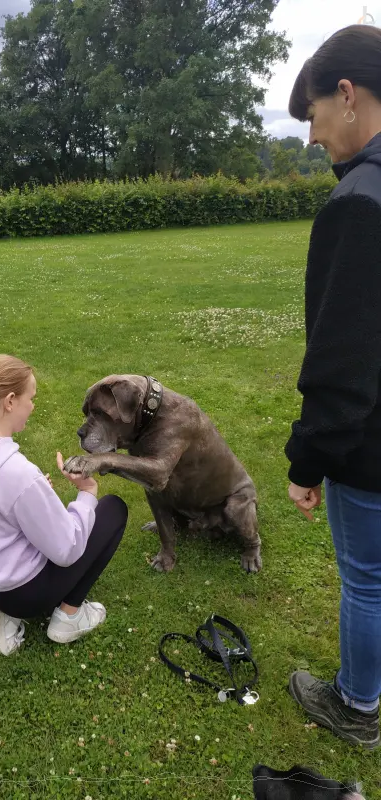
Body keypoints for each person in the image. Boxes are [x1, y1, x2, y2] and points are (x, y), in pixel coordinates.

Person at [284, 24, 381, 750]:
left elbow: (344, 362)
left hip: (369, 443)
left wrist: (306, 461)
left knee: (368, 579)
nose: (315, 139)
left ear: (347, 96)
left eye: (315, 118)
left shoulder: (358, 203)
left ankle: (356, 706)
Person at [0, 354, 128, 656]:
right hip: (25, 593)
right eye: (32, 398)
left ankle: (2, 616)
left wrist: (35, 494)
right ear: (11, 401)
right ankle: (69, 616)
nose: (34, 405)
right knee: (113, 509)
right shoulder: (18, 474)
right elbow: (67, 549)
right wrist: (87, 492)